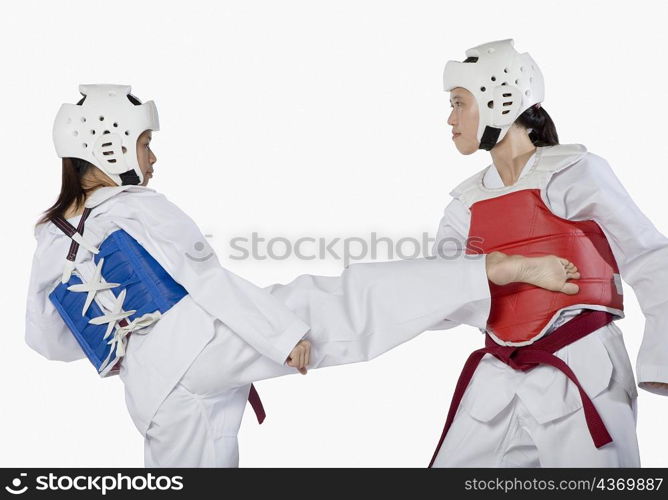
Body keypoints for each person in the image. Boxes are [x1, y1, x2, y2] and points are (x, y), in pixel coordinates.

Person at [25, 84, 581, 467]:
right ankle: (486, 271)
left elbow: (45, 340)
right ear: (109, 141)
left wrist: (126, 337)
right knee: (336, 304)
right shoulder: (139, 206)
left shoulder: (53, 236)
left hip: (153, 393)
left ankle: (461, 286)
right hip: (200, 344)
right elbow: (210, 280)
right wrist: (281, 334)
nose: (152, 157)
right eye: (145, 143)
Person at [428, 39, 668, 468]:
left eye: (458, 103)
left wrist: (663, 353)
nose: (450, 118)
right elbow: (434, 297)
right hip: (496, 383)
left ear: (497, 99)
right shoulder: (464, 206)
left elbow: (649, 255)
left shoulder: (575, 173)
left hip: (583, 369)